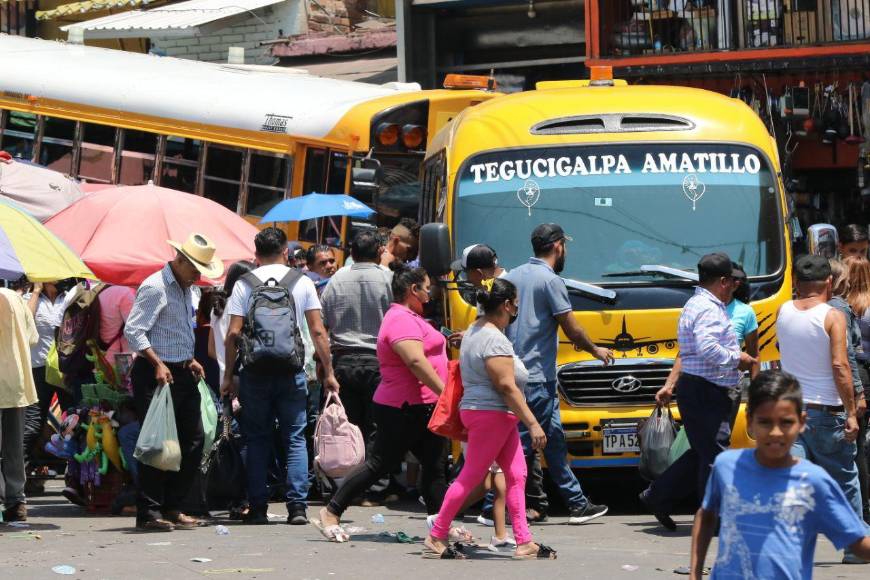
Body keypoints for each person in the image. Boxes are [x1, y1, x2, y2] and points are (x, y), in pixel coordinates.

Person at [315, 263, 452, 542]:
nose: (430, 294)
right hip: (403, 407)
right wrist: (446, 393)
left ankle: (440, 526)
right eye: (427, 289)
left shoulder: (411, 317)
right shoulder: (400, 319)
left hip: (423, 405)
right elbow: (415, 361)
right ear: (413, 290)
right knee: (380, 463)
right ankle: (331, 511)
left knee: (434, 465)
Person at [690, 370, 870, 579]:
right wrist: (695, 573)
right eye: (765, 422)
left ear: (801, 422)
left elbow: (856, 542)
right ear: (749, 421)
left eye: (786, 422)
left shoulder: (813, 481)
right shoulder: (726, 466)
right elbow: (706, 514)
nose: (775, 432)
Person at [425, 279, 556, 560]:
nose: (516, 310)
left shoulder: (477, 330)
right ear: (507, 305)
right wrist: (533, 423)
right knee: (472, 475)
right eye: (516, 305)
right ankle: (437, 533)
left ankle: (524, 540)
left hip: (498, 415)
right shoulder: (493, 339)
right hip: (490, 414)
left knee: (517, 474)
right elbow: (506, 386)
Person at [221, 227, 339, 526]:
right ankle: (297, 507)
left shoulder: (244, 284)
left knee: (257, 438)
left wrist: (228, 375)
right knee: (295, 437)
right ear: (285, 251)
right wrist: (328, 372)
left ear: (256, 254)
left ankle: (258, 507)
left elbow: (233, 334)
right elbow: (317, 331)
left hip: (254, 373)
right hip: (292, 371)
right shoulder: (302, 282)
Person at [504, 223, 613, 524]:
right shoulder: (551, 281)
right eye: (565, 246)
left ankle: (577, 503)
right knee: (522, 446)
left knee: (553, 442)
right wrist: (595, 350)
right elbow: (571, 327)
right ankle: (494, 506)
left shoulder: (511, 276)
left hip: (525, 375)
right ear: (557, 246)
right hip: (536, 378)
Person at [642, 253, 756, 531]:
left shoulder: (696, 303)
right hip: (707, 390)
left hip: (702, 388)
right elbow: (707, 348)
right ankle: (712, 518)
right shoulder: (708, 308)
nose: (733, 288)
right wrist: (737, 358)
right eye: (731, 282)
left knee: (705, 451)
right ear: (723, 281)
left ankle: (658, 496)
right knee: (715, 455)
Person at [124, 232, 220, 532]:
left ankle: (173, 506)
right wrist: (158, 363)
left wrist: (188, 359)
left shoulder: (186, 289)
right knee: (158, 441)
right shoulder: (155, 286)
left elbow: (176, 329)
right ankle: (149, 511)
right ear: (179, 260)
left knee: (193, 439)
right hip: (156, 374)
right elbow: (134, 331)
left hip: (181, 371)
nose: (197, 276)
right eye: (194, 269)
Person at [776, 254, 869, 564]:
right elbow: (841, 365)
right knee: (844, 480)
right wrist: (852, 411)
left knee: (794, 482)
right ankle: (856, 547)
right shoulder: (833, 316)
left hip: (791, 410)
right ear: (829, 282)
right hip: (826, 411)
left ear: (796, 282)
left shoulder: (783, 311)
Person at [320, 230, 392, 450]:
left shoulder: (336, 280)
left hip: (342, 362)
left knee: (346, 429)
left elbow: (321, 325)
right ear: (379, 252)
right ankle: (372, 472)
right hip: (379, 363)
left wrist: (324, 365)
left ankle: (350, 470)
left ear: (352, 253)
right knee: (377, 430)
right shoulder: (389, 278)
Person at [22, 280, 71, 476]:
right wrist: (36, 291)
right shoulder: (29, 297)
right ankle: (20, 472)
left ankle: (75, 472)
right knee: (32, 423)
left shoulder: (69, 297)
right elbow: (24, 323)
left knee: (73, 420)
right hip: (38, 368)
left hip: (64, 369)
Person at [0, 287, 39, 522]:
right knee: (13, 445)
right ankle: (16, 501)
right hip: (15, 380)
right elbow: (32, 338)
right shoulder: (15, 298)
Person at [848, 255, 870, 523]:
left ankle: (862, 504)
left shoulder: (844, 306)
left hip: (857, 375)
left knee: (858, 440)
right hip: (864, 372)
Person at [208, 261, 255, 388]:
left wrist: (223, 363)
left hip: (224, 377)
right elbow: (233, 338)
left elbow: (211, 349)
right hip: (240, 376)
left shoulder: (218, 308)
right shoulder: (242, 307)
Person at [98, 284, 136, 367]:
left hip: (102, 352)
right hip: (120, 356)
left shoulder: (105, 290)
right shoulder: (126, 294)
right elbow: (134, 330)